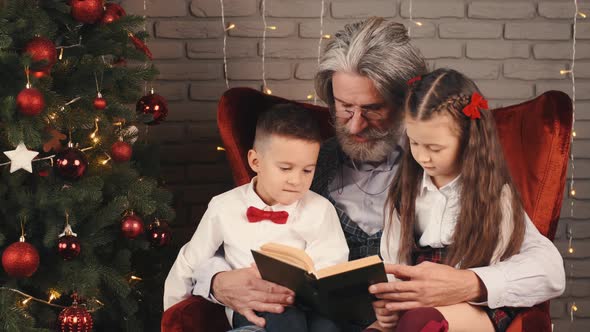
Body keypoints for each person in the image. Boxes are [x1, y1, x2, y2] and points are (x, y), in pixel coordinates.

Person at [190, 17, 565, 331]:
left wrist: (469, 283)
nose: (354, 126)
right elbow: (230, 230)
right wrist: (217, 282)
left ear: (406, 104)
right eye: (343, 107)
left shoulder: (437, 169)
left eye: (371, 109)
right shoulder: (303, 164)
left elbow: (544, 265)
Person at [364, 68, 559, 332]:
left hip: (474, 306)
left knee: (422, 323)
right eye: (415, 143)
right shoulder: (404, 191)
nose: (422, 157)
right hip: (419, 298)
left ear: (468, 139)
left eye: (435, 148)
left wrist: (472, 282)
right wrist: (390, 302)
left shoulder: (494, 195)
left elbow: (551, 272)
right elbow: (393, 258)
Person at [163, 103, 349, 331]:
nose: (296, 180)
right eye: (285, 168)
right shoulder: (224, 206)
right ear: (255, 162)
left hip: (307, 305)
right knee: (285, 320)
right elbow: (190, 262)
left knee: (329, 327)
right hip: (255, 306)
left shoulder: (320, 209)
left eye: (307, 170)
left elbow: (333, 260)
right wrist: (172, 312)